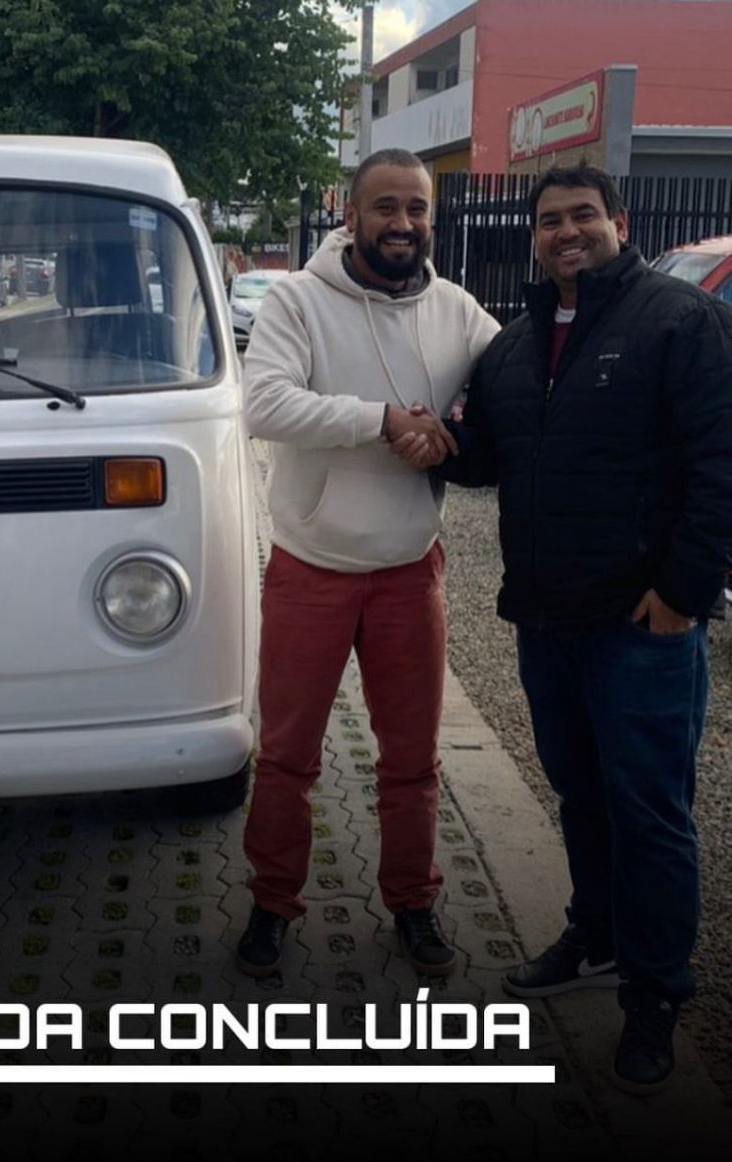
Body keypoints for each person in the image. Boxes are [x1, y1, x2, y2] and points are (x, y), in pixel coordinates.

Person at [419, 163, 732, 1094]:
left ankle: (656, 996)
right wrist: (433, 444)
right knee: (581, 797)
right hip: (545, 618)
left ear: (619, 223)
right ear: (535, 236)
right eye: (550, 220)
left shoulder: (679, 321)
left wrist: (684, 590)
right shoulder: (515, 344)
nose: (567, 233)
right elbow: (492, 459)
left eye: (583, 216)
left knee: (651, 814)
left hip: (641, 624)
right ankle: (595, 938)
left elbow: (720, 462)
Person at [237, 148, 500, 980]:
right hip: (310, 565)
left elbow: (511, 397)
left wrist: (452, 433)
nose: (402, 223)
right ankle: (272, 902)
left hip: (409, 569)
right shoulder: (297, 301)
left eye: (416, 208)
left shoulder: (459, 312)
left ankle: (414, 900)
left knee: (413, 759)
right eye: (385, 207)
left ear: (432, 218)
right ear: (350, 216)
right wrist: (382, 420)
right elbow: (263, 404)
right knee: (287, 755)